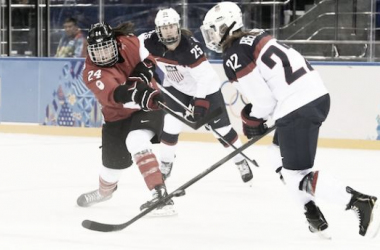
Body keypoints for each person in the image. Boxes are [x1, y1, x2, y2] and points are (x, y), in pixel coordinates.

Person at [201, 1, 380, 238]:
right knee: (275, 154)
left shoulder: (234, 54)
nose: (212, 36)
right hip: (311, 97)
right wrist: (258, 116)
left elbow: (264, 102)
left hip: (297, 106)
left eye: (215, 28)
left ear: (227, 26)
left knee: (296, 173)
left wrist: (252, 120)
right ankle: (312, 214)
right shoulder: (255, 35)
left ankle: (358, 201)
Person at [138, 8, 253, 184]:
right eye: (164, 27)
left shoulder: (190, 48)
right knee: (170, 125)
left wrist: (199, 104)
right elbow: (132, 47)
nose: (168, 30)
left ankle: (240, 160)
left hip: (207, 88)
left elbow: (204, 79)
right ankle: (166, 164)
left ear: (178, 27)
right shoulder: (148, 41)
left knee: (221, 131)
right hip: (176, 88)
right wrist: (142, 68)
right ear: (157, 30)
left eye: (171, 26)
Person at [76, 21, 176, 216]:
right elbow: (118, 96)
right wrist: (141, 95)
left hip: (148, 108)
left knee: (136, 139)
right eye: (97, 51)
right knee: (111, 169)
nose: (103, 55)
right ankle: (104, 193)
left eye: (106, 48)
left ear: (115, 42)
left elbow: (149, 60)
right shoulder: (91, 72)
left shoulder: (129, 42)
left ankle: (160, 195)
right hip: (117, 117)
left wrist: (142, 77)